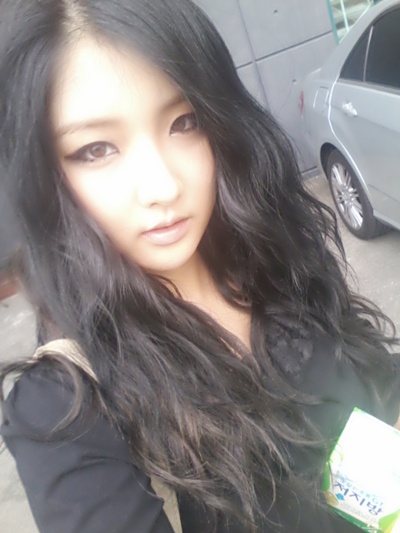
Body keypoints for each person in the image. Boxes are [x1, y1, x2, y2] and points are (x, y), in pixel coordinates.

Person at [0, 0, 399, 532]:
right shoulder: (66, 409)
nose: (163, 186)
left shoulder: (268, 257)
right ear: (44, 173)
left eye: (184, 122)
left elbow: (365, 411)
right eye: (96, 150)